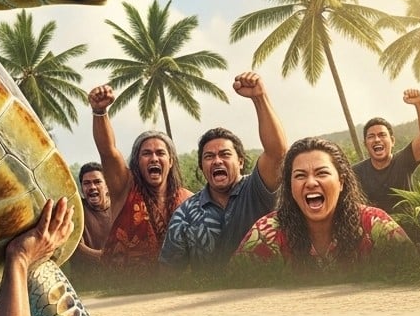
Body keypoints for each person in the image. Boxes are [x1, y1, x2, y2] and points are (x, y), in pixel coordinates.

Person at [160, 71, 288, 270]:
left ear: (240, 161)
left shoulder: (256, 188)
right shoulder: (185, 214)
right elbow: (168, 273)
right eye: (209, 157)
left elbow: (277, 153)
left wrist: (259, 97)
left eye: (225, 154)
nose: (217, 161)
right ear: (202, 167)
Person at [234, 138, 412, 268]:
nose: (311, 183)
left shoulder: (375, 225)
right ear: (289, 186)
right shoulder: (267, 232)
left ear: (341, 182)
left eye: (321, 173)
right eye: (300, 176)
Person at [88, 84, 192, 269]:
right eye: (146, 153)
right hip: (126, 289)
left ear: (171, 161)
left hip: (177, 287)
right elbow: (108, 151)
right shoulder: (124, 188)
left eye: (160, 153)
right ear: (137, 161)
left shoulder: (188, 200)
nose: (154, 158)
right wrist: (99, 111)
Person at [353, 89, 420, 215]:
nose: (376, 139)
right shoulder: (356, 172)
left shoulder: (404, 160)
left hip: (408, 231)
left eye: (382, 135)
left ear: (392, 141)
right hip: (375, 231)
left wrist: (419, 103)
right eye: (371, 136)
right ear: (365, 144)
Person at [69, 162, 113, 270]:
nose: (92, 187)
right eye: (87, 183)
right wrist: (106, 257)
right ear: (82, 189)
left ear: (107, 186)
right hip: (87, 279)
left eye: (97, 182)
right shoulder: (75, 210)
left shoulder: (122, 208)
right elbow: (74, 246)